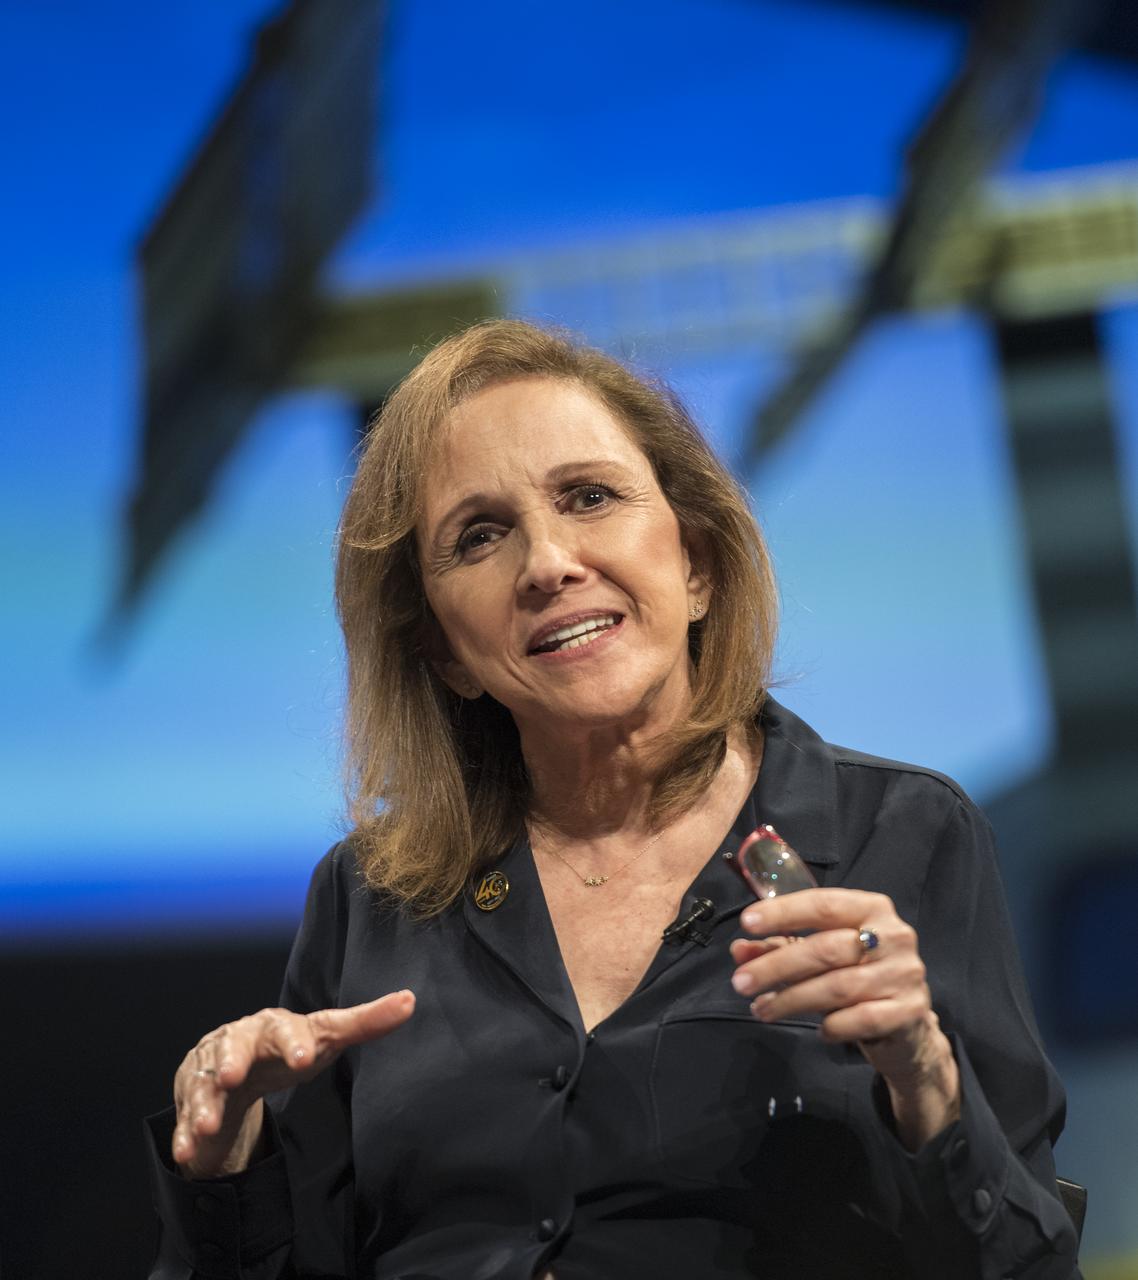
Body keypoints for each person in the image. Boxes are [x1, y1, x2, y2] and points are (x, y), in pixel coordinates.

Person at [147, 320, 1081, 1279]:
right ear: (444, 652)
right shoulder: (370, 897)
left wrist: (924, 1076)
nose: (548, 563)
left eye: (589, 497)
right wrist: (227, 1165)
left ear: (697, 564)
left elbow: (1028, 1262)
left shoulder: (903, 834)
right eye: (480, 536)